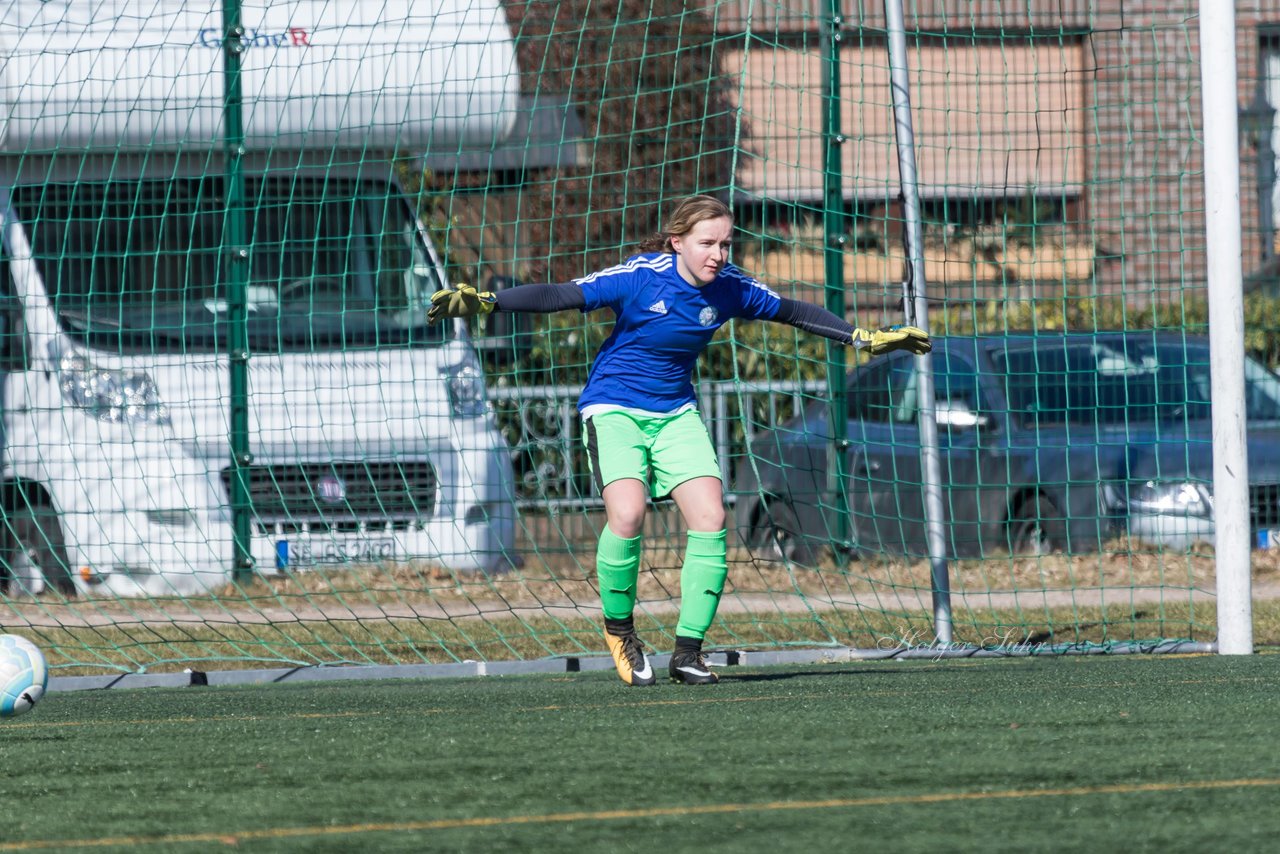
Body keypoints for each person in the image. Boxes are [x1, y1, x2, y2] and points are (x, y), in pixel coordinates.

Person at [428, 195, 930, 686]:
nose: (719, 254)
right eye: (707, 242)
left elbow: (793, 310)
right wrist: (490, 300)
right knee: (627, 514)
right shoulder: (640, 276)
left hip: (675, 413)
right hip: (614, 408)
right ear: (677, 243)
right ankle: (620, 632)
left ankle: (688, 652)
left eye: (726, 243)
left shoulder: (730, 287)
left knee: (712, 518)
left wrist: (862, 338)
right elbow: (561, 294)